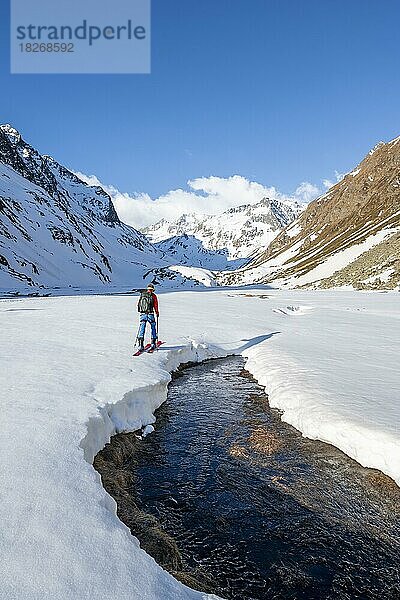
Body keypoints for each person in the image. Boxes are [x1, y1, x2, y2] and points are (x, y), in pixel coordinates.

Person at [137, 283, 159, 351]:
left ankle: (140, 345)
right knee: (153, 327)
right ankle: (153, 343)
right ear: (153, 290)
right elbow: (155, 305)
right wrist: (157, 312)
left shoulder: (142, 295)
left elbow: (138, 304)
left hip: (143, 314)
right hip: (150, 314)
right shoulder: (153, 296)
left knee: (142, 328)